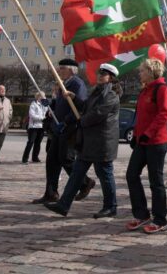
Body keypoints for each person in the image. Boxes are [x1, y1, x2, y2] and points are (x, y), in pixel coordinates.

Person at [46, 64, 121, 218]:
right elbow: (87, 107)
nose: (100, 75)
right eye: (99, 72)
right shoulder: (97, 92)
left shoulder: (111, 95)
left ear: (111, 78)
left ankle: (110, 207)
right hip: (88, 142)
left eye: (104, 74)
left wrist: (80, 121)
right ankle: (63, 205)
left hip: (102, 143)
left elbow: (97, 114)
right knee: (76, 174)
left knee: (105, 175)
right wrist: (75, 99)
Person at [32, 58, 94, 204]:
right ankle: (51, 193)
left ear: (71, 70)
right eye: (59, 68)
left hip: (69, 128)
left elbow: (78, 106)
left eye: (62, 68)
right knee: (52, 161)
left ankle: (85, 182)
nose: (59, 71)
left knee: (66, 159)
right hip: (57, 128)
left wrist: (66, 121)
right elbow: (61, 105)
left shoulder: (77, 83)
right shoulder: (63, 84)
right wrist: (51, 104)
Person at [125, 58, 167, 234]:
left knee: (156, 181)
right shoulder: (144, 90)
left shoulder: (162, 89)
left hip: (157, 142)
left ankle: (160, 219)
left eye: (142, 71)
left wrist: (148, 133)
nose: (139, 73)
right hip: (142, 142)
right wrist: (136, 135)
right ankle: (142, 214)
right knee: (131, 175)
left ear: (151, 72)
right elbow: (141, 117)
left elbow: (164, 115)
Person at [22, 92, 47, 164]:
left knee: (38, 143)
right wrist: (42, 118)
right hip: (33, 126)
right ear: (38, 97)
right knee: (30, 142)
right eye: (42, 96)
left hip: (41, 126)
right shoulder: (33, 104)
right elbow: (32, 115)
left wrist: (46, 102)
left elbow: (47, 110)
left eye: (44, 96)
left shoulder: (44, 105)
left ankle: (35, 157)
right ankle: (25, 158)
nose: (43, 97)